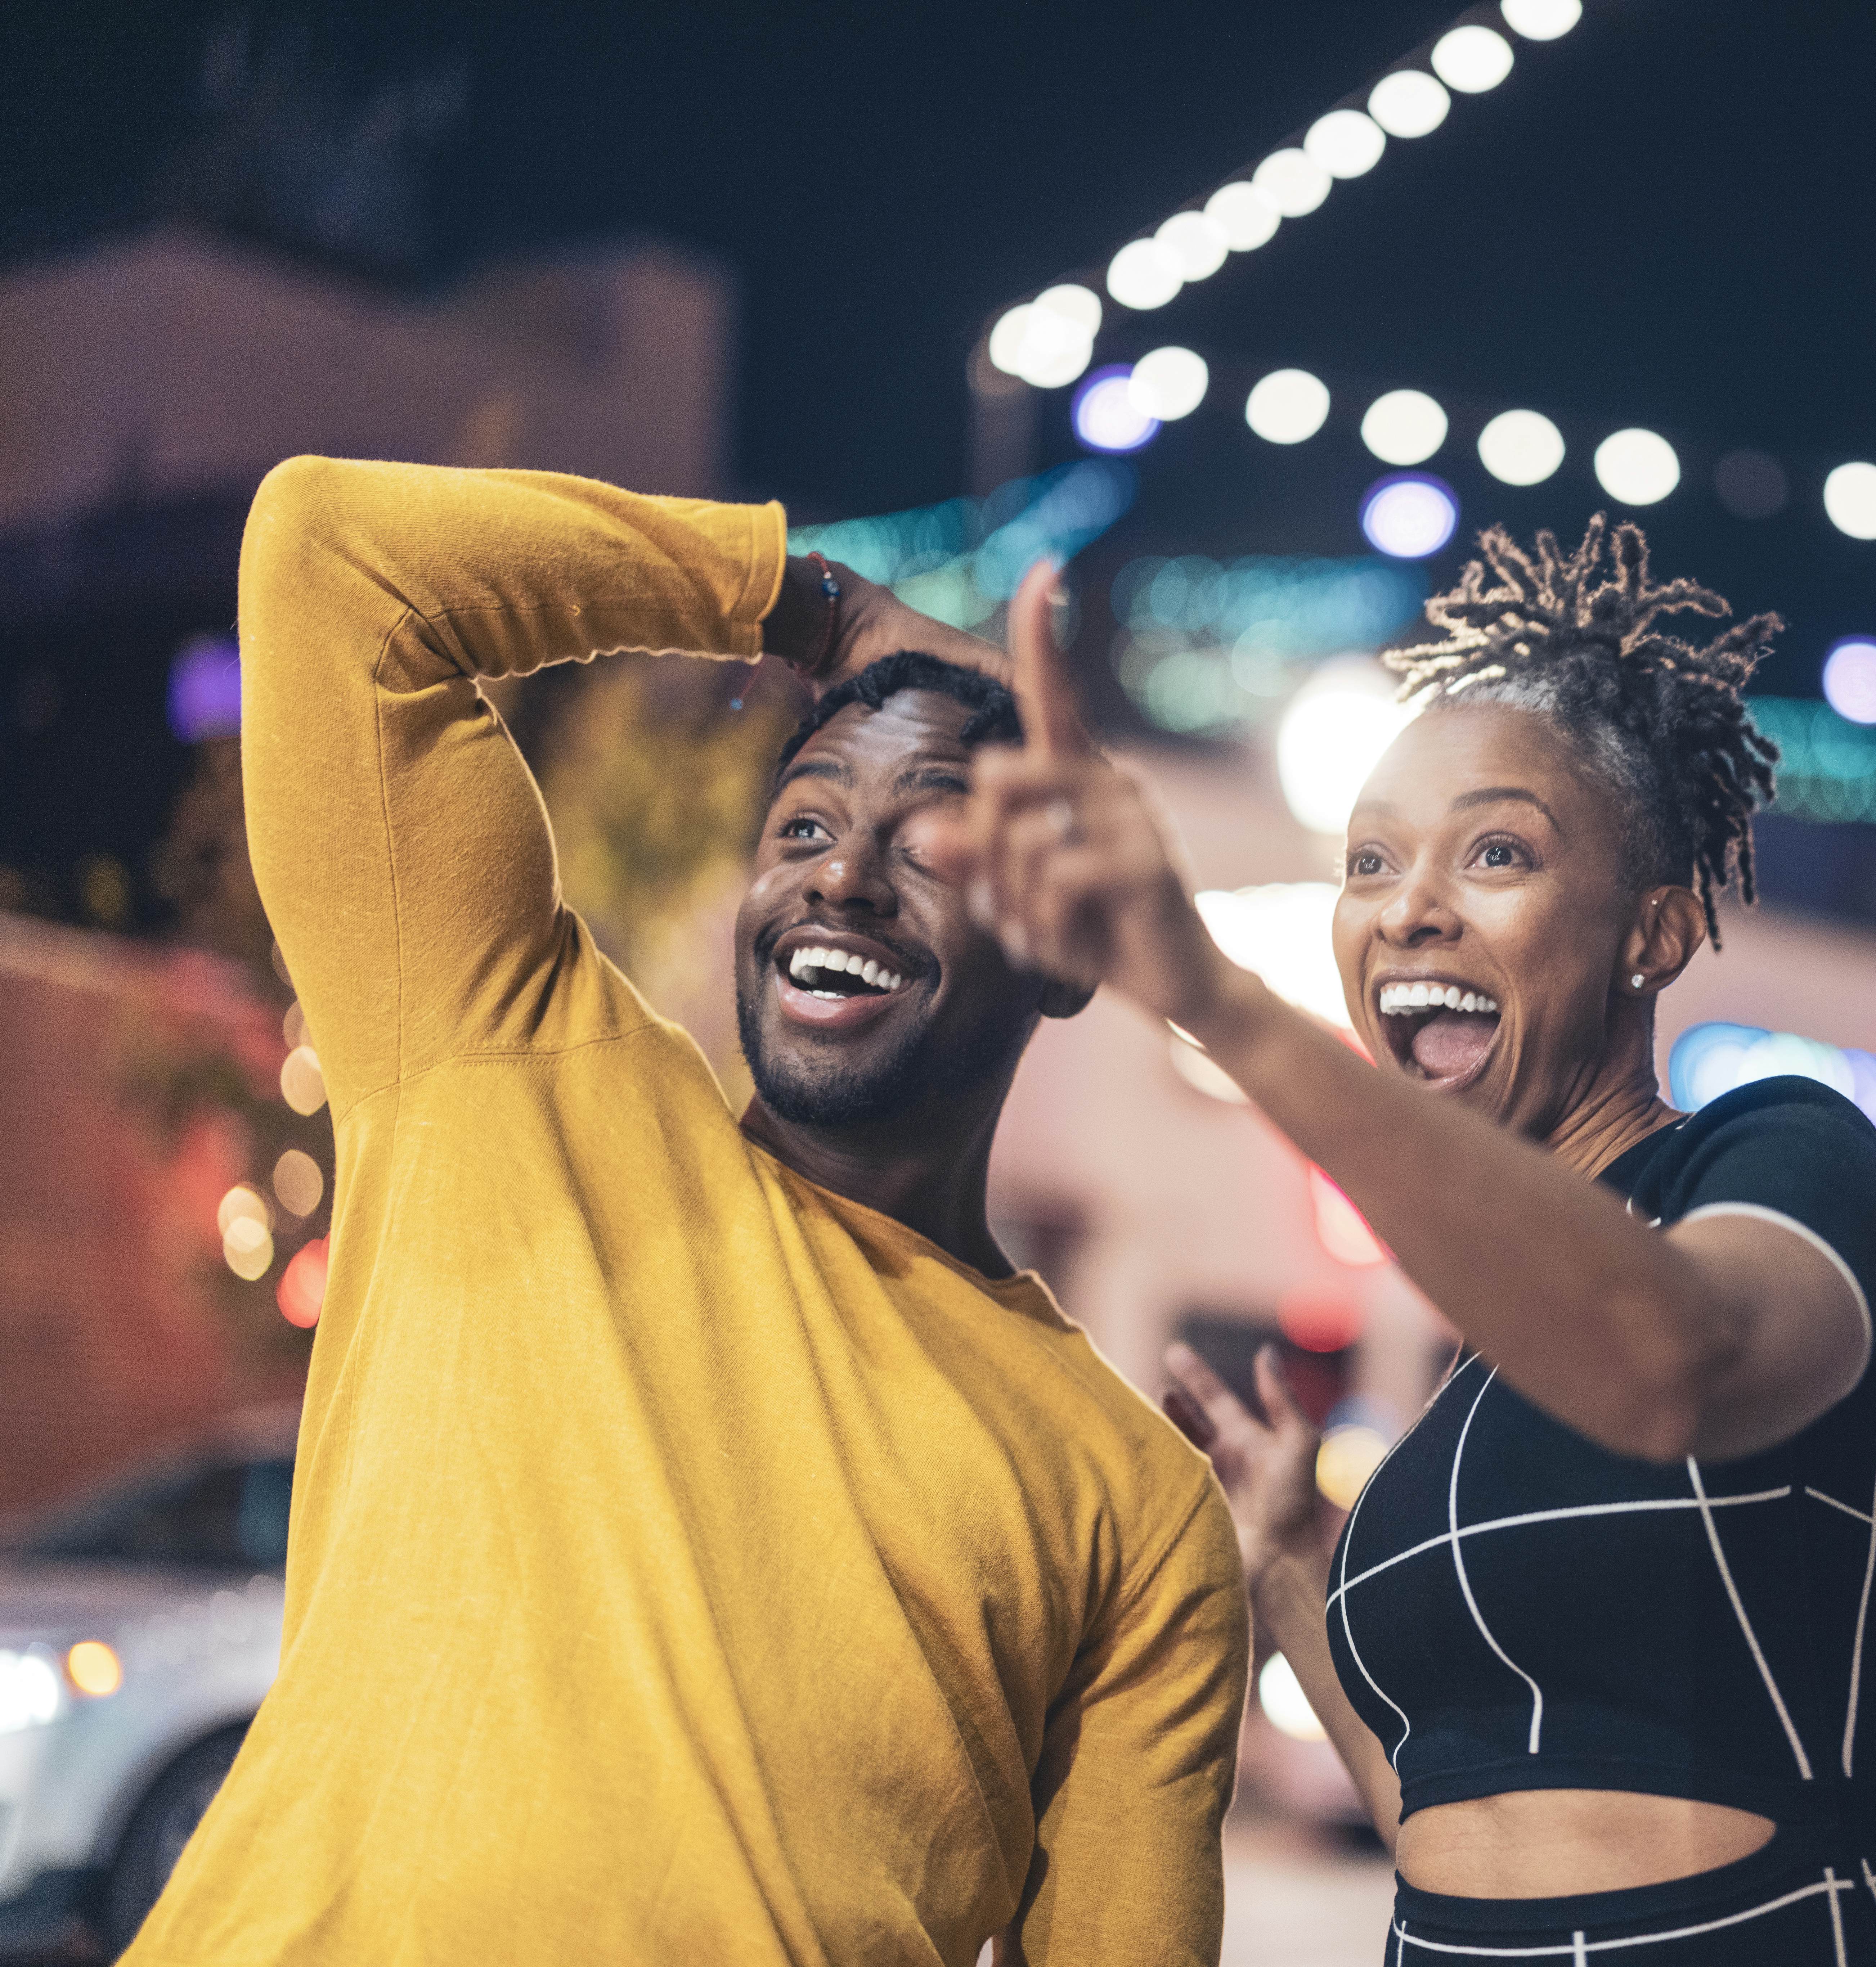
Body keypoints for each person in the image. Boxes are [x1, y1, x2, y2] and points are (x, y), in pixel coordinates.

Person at [122, 460, 1247, 1967]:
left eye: (931, 844)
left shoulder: (1131, 1503)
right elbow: (334, 561)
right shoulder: (503, 1062)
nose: (843, 874)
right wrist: (821, 609)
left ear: (1061, 954)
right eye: (801, 826)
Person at [962, 516, 1876, 1962]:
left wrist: (1215, 999)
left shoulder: (1781, 1159)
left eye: (1495, 851)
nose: (1409, 907)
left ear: (1652, 933)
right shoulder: (1479, 1377)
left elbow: (1674, 1356)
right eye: (1369, 862)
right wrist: (1292, 1557)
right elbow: (1444, 1823)